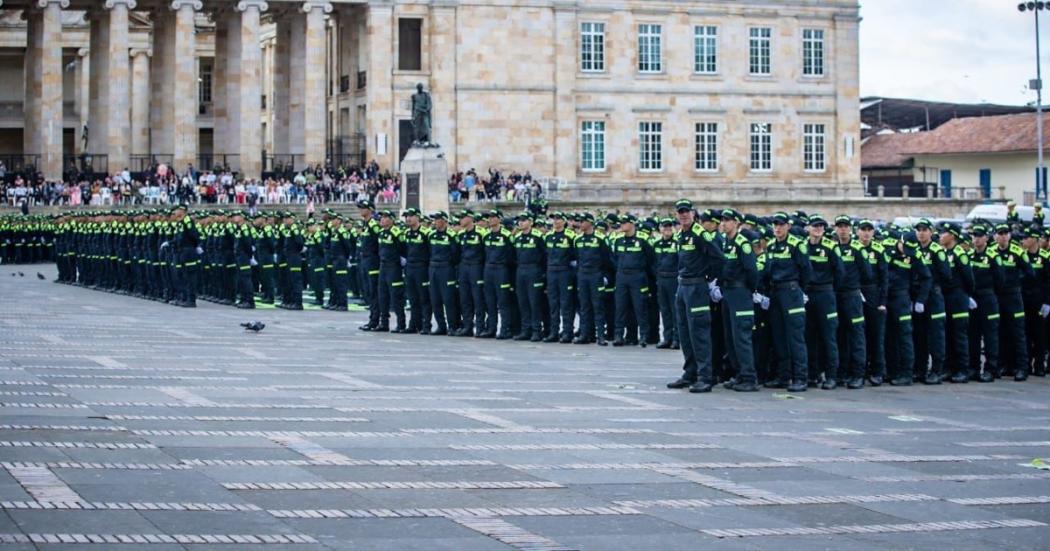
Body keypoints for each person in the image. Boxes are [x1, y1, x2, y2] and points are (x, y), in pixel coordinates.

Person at [666, 199, 725, 393]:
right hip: (683, 285)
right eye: (680, 212)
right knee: (684, 332)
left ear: (693, 213)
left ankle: (705, 376)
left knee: (699, 333)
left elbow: (718, 257)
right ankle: (690, 372)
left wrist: (709, 278)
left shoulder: (700, 233)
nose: (683, 215)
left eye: (686, 212)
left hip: (697, 287)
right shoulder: (681, 234)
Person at [759, 212, 812, 392]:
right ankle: (783, 376)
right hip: (775, 293)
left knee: (795, 337)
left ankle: (800, 377)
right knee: (779, 337)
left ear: (788, 226)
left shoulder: (797, 245)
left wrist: (799, 290)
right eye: (775, 225)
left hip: (791, 292)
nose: (777, 228)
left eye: (781, 225)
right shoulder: (772, 245)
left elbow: (806, 271)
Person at [718, 209, 759, 392]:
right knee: (731, 337)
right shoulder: (727, 242)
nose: (723, 223)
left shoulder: (743, 243)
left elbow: (752, 271)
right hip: (728, 292)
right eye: (722, 220)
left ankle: (749, 377)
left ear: (736, 223)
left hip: (740, 292)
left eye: (727, 220)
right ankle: (739, 375)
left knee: (742, 337)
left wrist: (747, 290)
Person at [611, 214, 654, 348]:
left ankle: (644, 336)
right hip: (622, 276)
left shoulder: (643, 239)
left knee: (640, 307)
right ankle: (618, 335)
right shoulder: (618, 240)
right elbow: (614, 259)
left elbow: (651, 258)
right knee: (620, 307)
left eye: (624, 223)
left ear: (632, 224)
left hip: (638, 276)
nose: (622, 225)